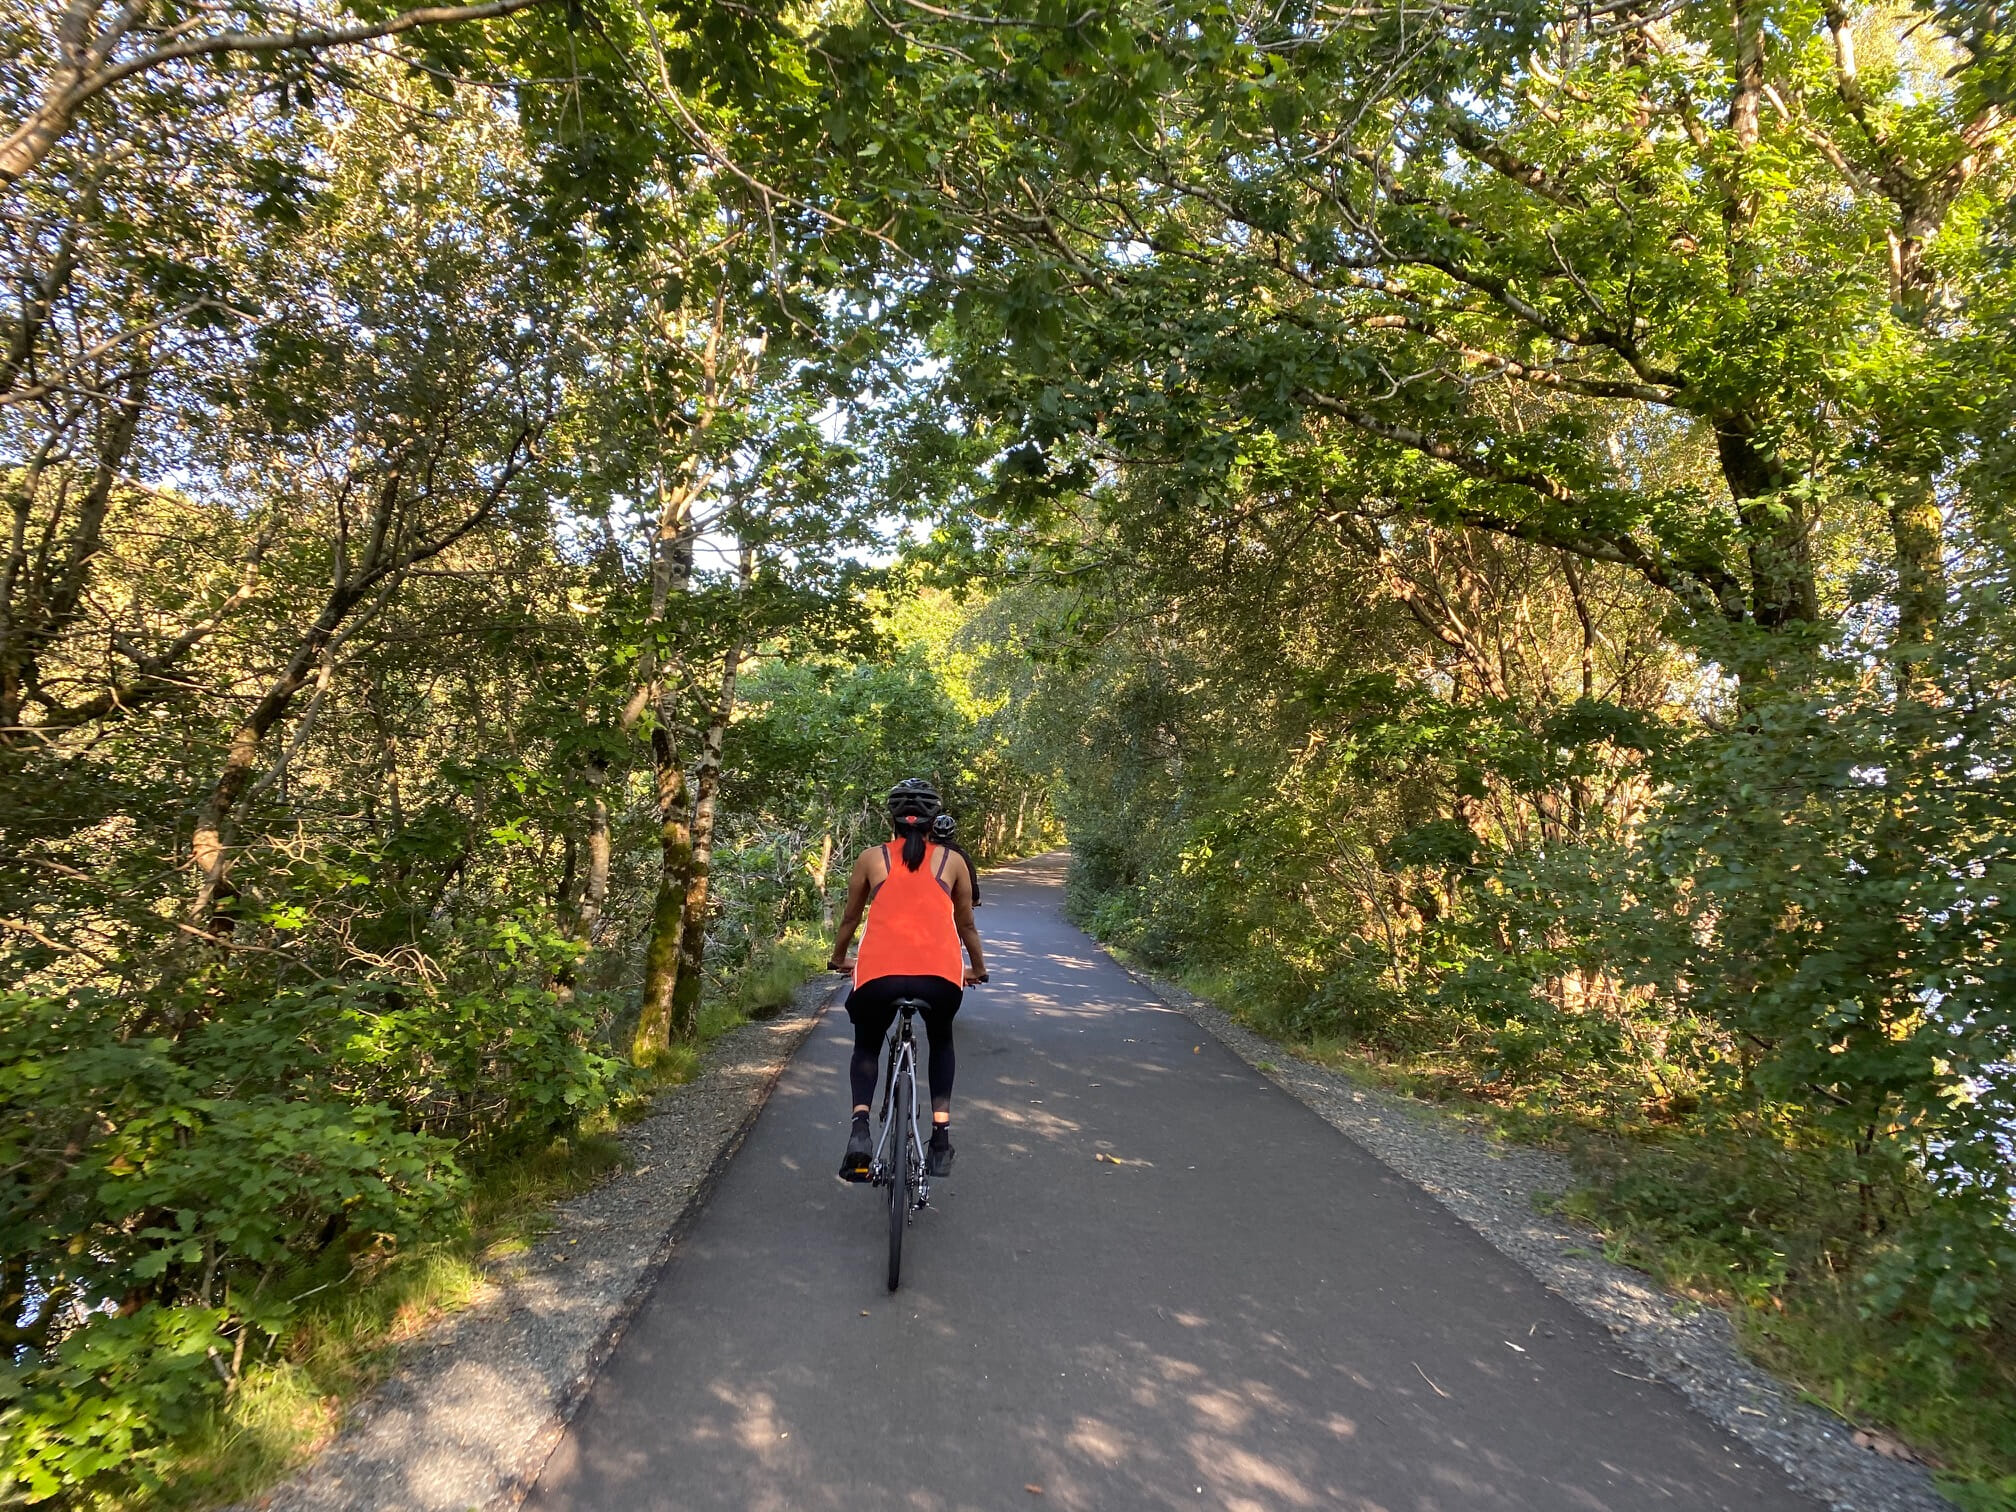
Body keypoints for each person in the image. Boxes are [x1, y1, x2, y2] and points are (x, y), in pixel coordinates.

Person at [828, 778, 987, 1182]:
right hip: (940, 978)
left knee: (866, 1043)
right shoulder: (952, 861)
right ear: (934, 823)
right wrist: (977, 969)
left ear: (892, 819)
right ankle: (939, 1137)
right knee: (942, 1040)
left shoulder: (871, 857)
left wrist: (838, 958)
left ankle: (860, 1129)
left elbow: (850, 918)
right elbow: (966, 923)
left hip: (879, 977)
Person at [931, 811, 980, 906]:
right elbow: (971, 875)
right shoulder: (959, 853)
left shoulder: (923, 851)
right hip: (952, 897)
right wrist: (976, 897)